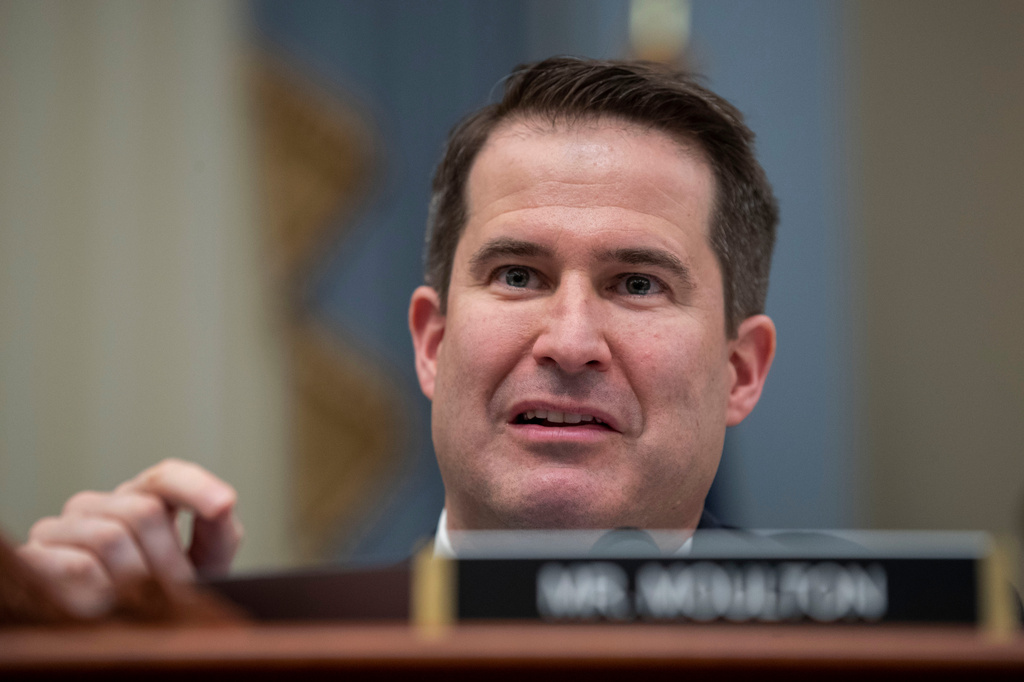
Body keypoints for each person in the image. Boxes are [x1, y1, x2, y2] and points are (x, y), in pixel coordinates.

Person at [16, 57, 778, 617]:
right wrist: (77, 651)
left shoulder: (846, 654)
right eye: (518, 275)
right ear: (431, 345)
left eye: (638, 284)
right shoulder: (260, 653)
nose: (570, 341)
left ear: (740, 372)